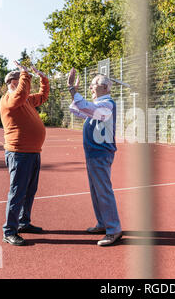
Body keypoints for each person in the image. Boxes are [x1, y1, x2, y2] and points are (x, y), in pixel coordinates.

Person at [67, 68, 122, 246]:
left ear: (105, 88)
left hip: (100, 154)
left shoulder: (107, 104)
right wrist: (74, 95)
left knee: (103, 191)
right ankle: (103, 223)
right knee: (96, 191)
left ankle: (113, 230)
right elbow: (78, 110)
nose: (91, 86)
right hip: (93, 154)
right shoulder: (99, 105)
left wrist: (72, 90)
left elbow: (85, 107)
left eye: (95, 83)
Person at [0, 60, 50, 246]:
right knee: (17, 192)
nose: (27, 86)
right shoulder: (9, 99)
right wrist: (24, 74)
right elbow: (20, 93)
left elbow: (43, 96)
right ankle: (9, 231)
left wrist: (43, 78)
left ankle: (23, 222)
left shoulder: (26, 99)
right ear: (13, 82)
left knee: (29, 191)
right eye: (20, 80)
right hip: (19, 153)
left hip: (33, 152)